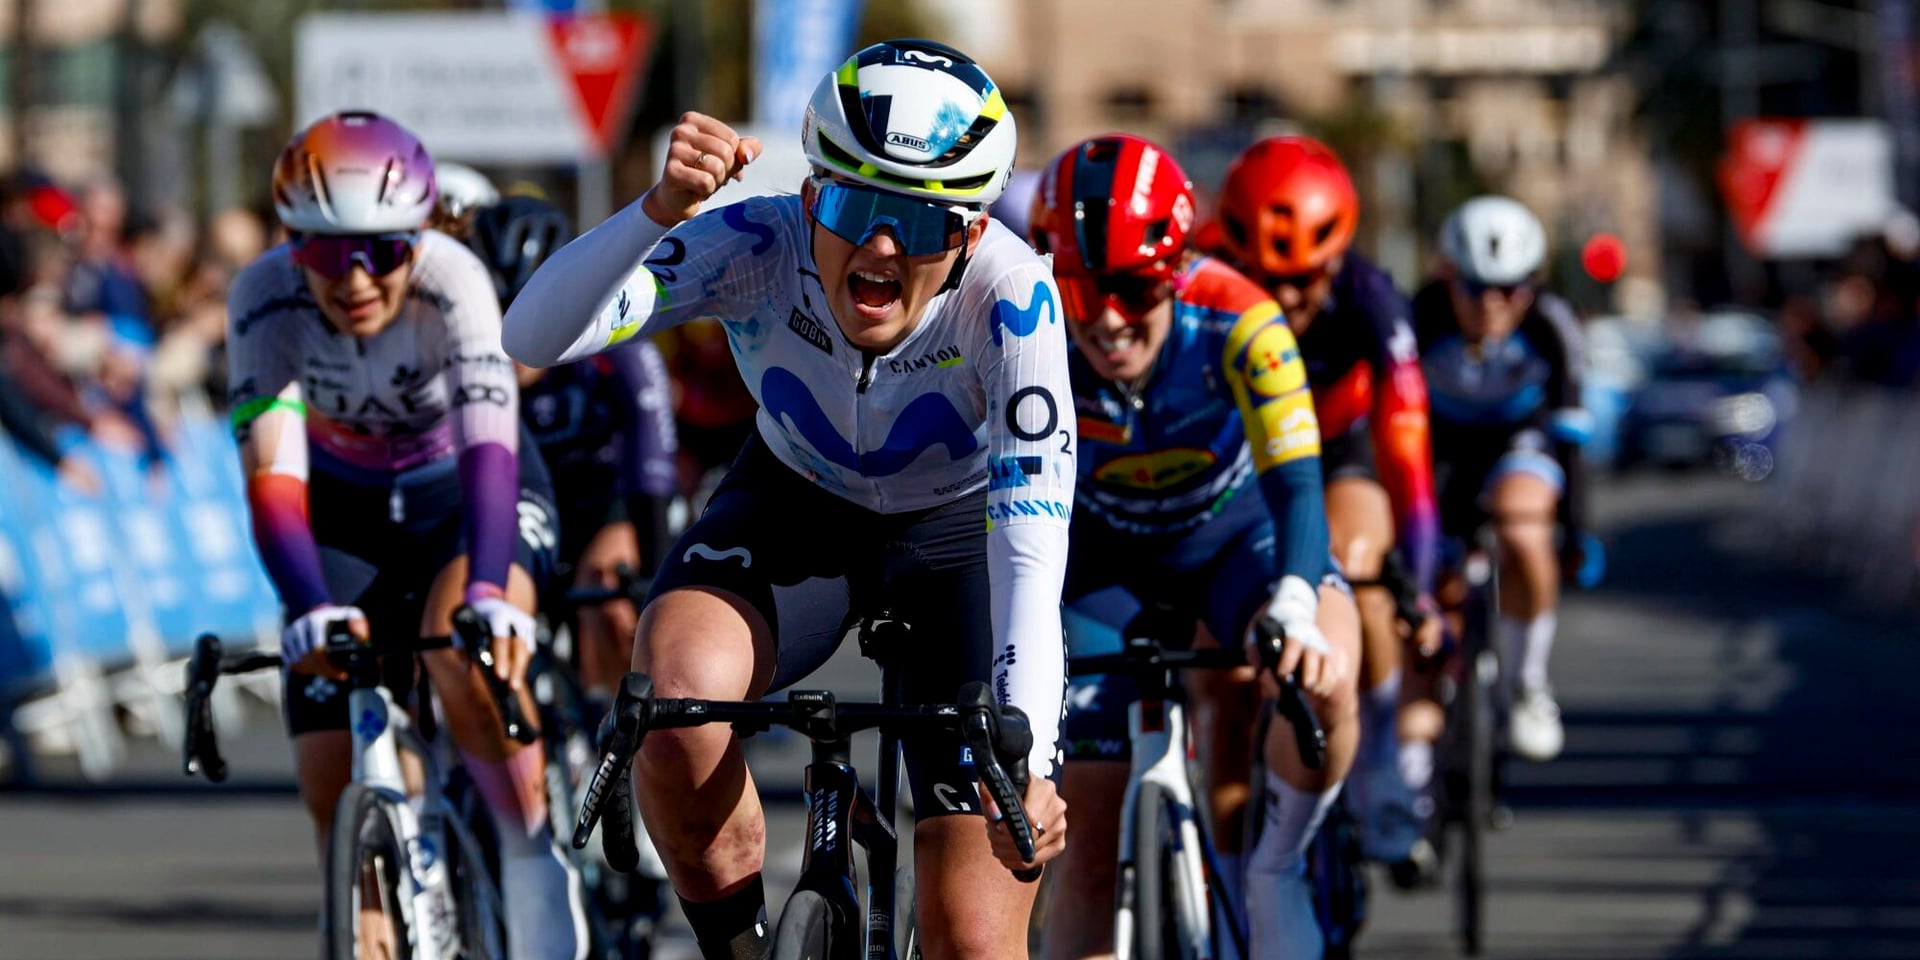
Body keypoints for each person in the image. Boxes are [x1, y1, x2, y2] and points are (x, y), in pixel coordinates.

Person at [502, 39, 1072, 960]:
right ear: (811, 195)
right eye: (854, 206)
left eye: (921, 225)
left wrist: (1033, 763)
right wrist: (657, 211)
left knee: (975, 936)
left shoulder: (1012, 300)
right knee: (676, 704)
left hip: (958, 539)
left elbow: (1030, 561)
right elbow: (531, 335)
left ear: (968, 234)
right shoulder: (756, 244)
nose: (882, 247)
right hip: (796, 501)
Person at [225, 110, 585, 959]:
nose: (354, 279)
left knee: (464, 652)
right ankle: (369, 911)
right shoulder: (262, 297)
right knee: (327, 774)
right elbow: (274, 483)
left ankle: (530, 855)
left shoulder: (454, 279)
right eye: (322, 251)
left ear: (419, 238)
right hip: (343, 511)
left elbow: (491, 452)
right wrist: (309, 604)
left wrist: (492, 595)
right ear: (290, 245)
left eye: (383, 250)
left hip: (465, 499)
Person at [1029, 133, 1360, 960]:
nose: (1107, 317)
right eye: (1080, 286)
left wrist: (1293, 599)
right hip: (1099, 568)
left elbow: (1298, 485)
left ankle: (1275, 869)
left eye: (1134, 287)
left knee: (1326, 673)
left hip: (1232, 544)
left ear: (1177, 270)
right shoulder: (1026, 326)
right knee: (1089, 849)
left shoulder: (1245, 318)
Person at [1212, 134, 1441, 873]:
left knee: (1357, 565)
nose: (1283, 301)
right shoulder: (1202, 273)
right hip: (1235, 450)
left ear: (1338, 258)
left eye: (1306, 282)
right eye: (1263, 279)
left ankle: (1377, 761)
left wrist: (1424, 579)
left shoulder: (1373, 300)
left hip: (1337, 449)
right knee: (1229, 674)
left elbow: (1407, 450)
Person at [467, 194, 680, 705]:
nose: (506, 326)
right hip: (523, 506)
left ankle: (611, 724)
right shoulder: (466, 354)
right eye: (494, 307)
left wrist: (648, 572)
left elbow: (652, 459)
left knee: (605, 591)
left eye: (522, 303)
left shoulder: (615, 343)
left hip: (610, 502)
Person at [1411, 195, 1591, 763]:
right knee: (1432, 579)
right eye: (1474, 288)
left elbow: (1571, 439)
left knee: (1522, 530)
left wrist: (1576, 530)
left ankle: (1527, 681)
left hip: (1520, 438)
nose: (1493, 304)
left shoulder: (1551, 326)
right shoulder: (1419, 319)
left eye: (1511, 290)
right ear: (1447, 278)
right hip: (1441, 446)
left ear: (1532, 286)